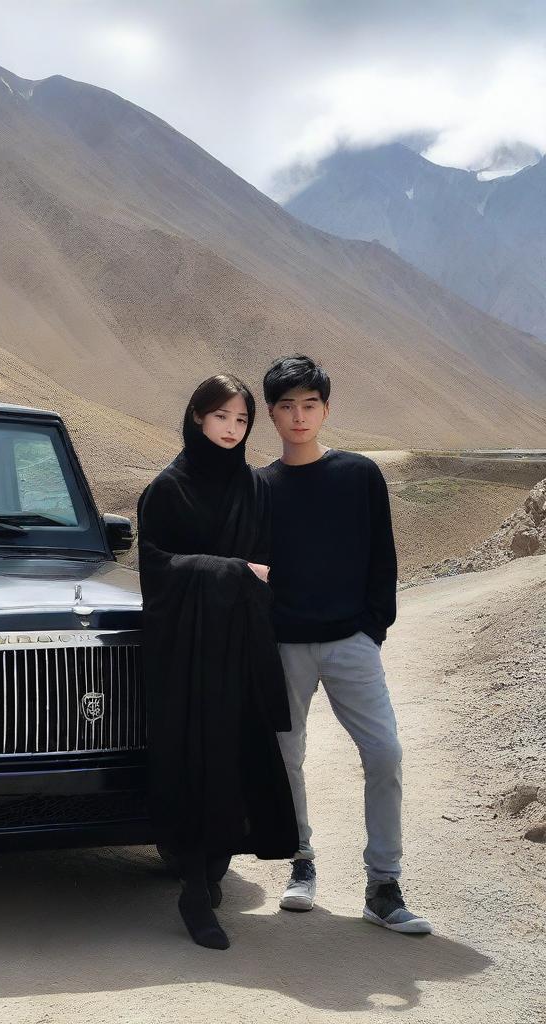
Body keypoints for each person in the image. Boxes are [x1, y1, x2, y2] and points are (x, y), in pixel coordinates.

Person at [258, 353, 433, 935]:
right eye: (286, 407)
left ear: (326, 411)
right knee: (285, 757)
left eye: (309, 405)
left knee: (385, 752)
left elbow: (383, 556)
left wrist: (372, 625)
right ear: (271, 415)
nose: (298, 416)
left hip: (351, 641)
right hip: (285, 644)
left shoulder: (359, 475)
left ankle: (383, 885)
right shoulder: (260, 486)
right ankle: (300, 862)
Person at [136, 374, 299, 950]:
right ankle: (193, 891)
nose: (232, 430)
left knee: (238, 757)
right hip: (187, 652)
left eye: (241, 421)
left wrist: (250, 577)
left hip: (243, 644)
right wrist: (234, 571)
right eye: (221, 418)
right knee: (196, 760)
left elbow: (271, 562)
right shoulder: (168, 489)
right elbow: (156, 569)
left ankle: (212, 874)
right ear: (197, 418)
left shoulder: (254, 488)